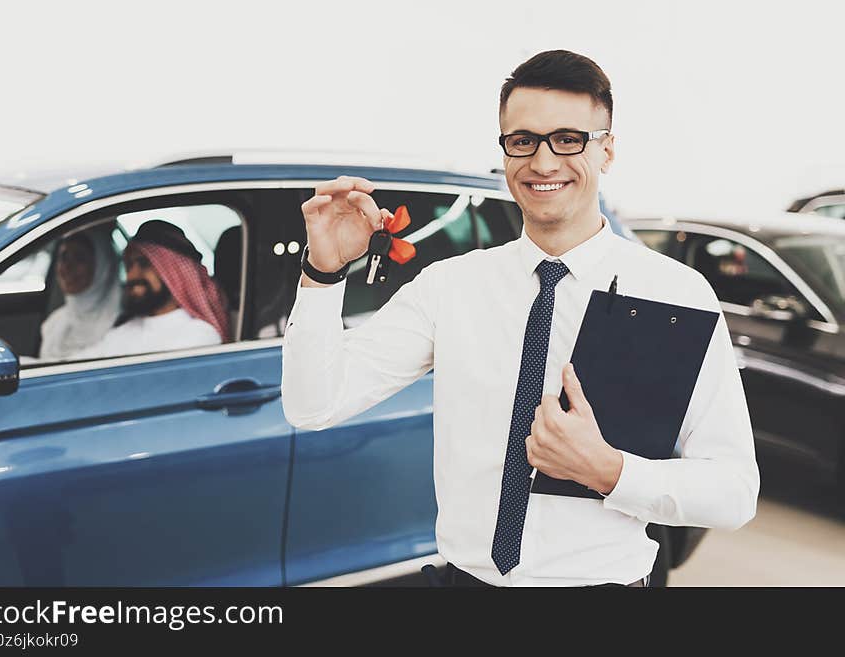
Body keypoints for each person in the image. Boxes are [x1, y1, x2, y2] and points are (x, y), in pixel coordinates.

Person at [281, 50, 759, 587]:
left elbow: (735, 492)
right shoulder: (451, 285)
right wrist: (323, 274)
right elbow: (312, 405)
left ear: (608, 150)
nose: (544, 162)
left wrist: (609, 470)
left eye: (569, 139)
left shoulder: (676, 294)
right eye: (523, 141)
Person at [69, 220, 230, 359]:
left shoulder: (199, 335)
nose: (132, 275)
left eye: (144, 264)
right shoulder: (126, 330)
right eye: (129, 266)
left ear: (172, 272)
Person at [38, 226, 122, 360]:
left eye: (80, 258)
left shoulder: (120, 327)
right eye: (64, 257)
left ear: (102, 266)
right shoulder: (54, 323)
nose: (67, 267)